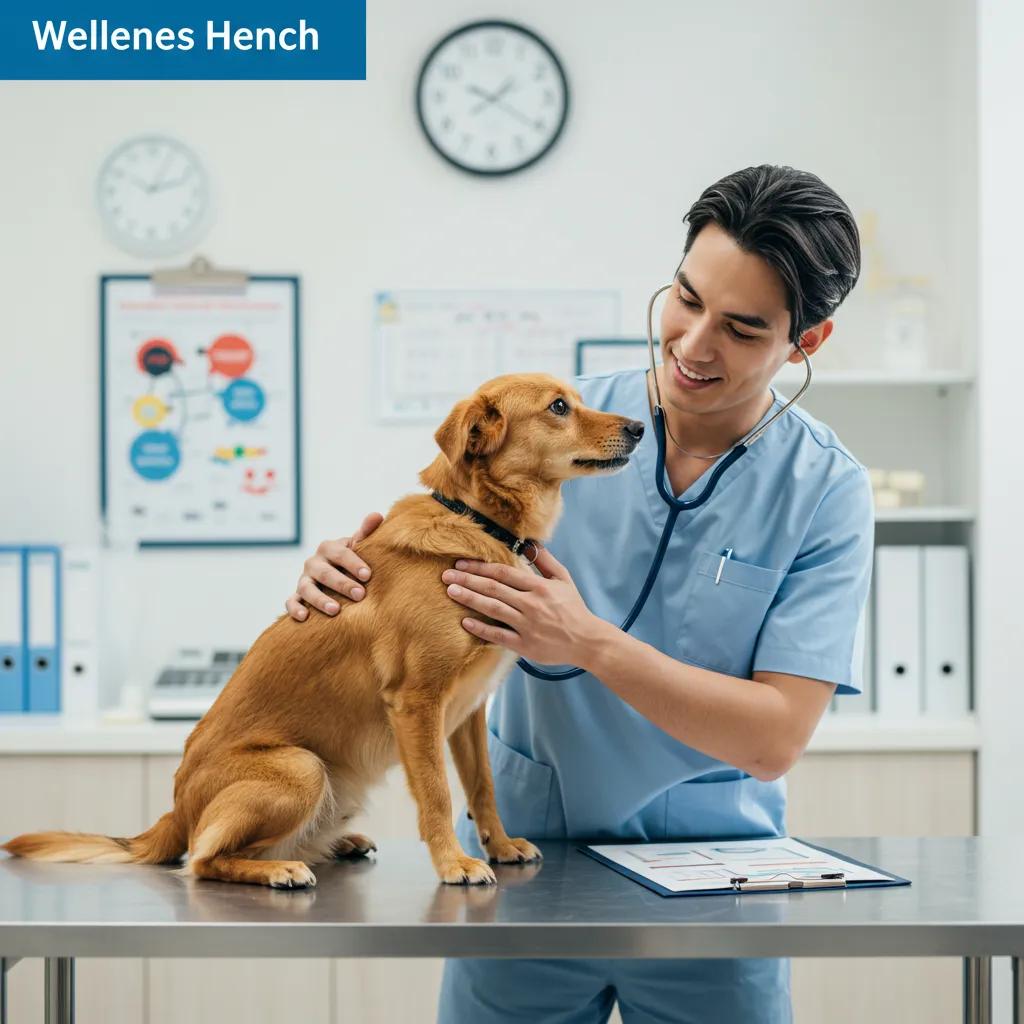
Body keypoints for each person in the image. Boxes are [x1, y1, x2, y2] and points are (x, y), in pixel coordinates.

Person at [285, 164, 871, 1024]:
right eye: (685, 297)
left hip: (717, 889)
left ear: (805, 343)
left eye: (742, 329)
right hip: (528, 872)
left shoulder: (825, 490)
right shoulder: (553, 418)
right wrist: (339, 581)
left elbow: (777, 737)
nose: (694, 343)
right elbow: (421, 566)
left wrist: (587, 641)